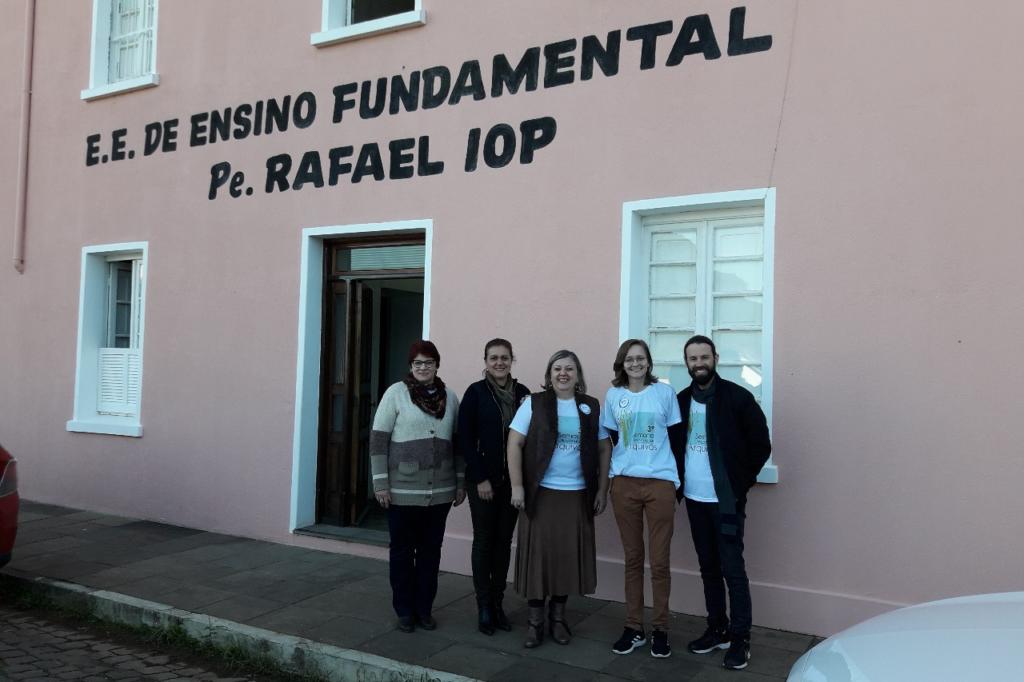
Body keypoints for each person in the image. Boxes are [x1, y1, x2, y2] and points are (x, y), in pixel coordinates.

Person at [669, 335, 771, 670]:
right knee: (708, 568)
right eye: (693, 358)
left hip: (726, 502)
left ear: (715, 358)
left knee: (732, 569)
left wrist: (739, 484)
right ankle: (718, 629)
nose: (699, 363)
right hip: (695, 499)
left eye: (704, 357)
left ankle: (741, 638)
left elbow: (761, 445)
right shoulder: (681, 401)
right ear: (686, 363)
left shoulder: (738, 398)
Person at [508, 349, 611, 648]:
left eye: (569, 369)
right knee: (538, 560)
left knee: (566, 559)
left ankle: (558, 619)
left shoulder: (590, 406)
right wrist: (517, 486)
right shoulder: (533, 403)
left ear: (578, 375)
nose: (563, 373)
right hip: (540, 494)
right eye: (557, 369)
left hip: (577, 494)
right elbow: (514, 443)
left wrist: (602, 489)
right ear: (549, 375)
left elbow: (604, 448)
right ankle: (535, 622)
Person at [370, 339, 465, 634]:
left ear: (437, 365)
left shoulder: (450, 397)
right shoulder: (395, 394)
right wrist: (380, 483)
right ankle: (404, 611)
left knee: (430, 553)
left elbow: (459, 444)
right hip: (401, 492)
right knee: (401, 553)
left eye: (429, 362)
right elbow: (378, 440)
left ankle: (424, 609)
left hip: (440, 493)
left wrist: (460, 482)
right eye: (418, 363)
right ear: (411, 366)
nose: (423, 368)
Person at [602, 339, 683, 658]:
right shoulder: (614, 395)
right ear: (621, 364)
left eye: (640, 358)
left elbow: (676, 438)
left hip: (660, 482)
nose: (635, 363)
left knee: (660, 561)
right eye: (629, 359)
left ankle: (661, 628)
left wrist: (676, 483)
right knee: (633, 559)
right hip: (625, 483)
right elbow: (612, 437)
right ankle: (634, 626)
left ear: (649, 362)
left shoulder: (664, 393)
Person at [458, 338, 531, 635]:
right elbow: (464, 438)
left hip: (512, 483)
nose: (499, 362)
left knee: (503, 543)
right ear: (486, 361)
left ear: (512, 360)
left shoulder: (523, 394)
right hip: (483, 483)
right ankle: (484, 607)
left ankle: (498, 604)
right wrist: (480, 478)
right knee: (484, 542)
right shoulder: (475, 393)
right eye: (493, 358)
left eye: (504, 357)